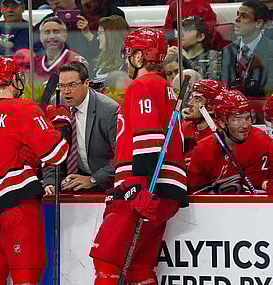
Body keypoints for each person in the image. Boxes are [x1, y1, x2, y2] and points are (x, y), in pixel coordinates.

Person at [90, 28, 188, 285]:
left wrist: (137, 187)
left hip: (142, 189)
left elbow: (149, 139)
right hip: (166, 191)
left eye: (131, 53)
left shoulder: (142, 86)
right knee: (140, 269)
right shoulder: (165, 88)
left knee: (107, 259)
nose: (127, 58)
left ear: (140, 57)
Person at [0, 56, 70, 284]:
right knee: (26, 278)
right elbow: (57, 154)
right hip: (15, 206)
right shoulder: (23, 108)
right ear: (12, 79)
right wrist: (60, 124)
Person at [43, 61, 118, 194]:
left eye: (72, 85)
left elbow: (122, 157)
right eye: (62, 86)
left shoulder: (109, 110)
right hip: (70, 184)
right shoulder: (56, 104)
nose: (66, 91)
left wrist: (92, 180)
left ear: (87, 83)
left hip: (104, 186)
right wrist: (50, 182)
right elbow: (52, 148)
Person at [188, 88, 272, 194]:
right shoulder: (202, 150)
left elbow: (257, 195)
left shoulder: (262, 143)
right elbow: (197, 195)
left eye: (247, 118)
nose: (246, 125)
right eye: (237, 119)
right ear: (222, 122)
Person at [221, 0, 273, 97]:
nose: (237, 19)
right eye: (237, 14)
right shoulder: (227, 50)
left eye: (243, 16)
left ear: (258, 23)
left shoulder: (271, 50)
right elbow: (225, 87)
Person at [180, 80, 223, 166]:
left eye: (197, 100)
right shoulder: (182, 128)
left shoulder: (220, 135)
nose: (190, 103)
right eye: (191, 98)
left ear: (211, 108)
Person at [35, 17, 88, 83]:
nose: (51, 36)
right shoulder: (34, 63)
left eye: (56, 32)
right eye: (47, 32)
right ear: (40, 36)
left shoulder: (76, 61)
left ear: (65, 35)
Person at [91, 15, 129, 90]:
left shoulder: (128, 64)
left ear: (111, 36)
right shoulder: (94, 63)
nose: (97, 38)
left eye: (100, 33)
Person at [181, 16, 221, 80]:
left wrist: (186, 61)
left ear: (200, 37)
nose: (181, 34)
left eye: (187, 30)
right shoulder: (176, 55)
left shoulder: (213, 56)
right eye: (180, 30)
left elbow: (210, 85)